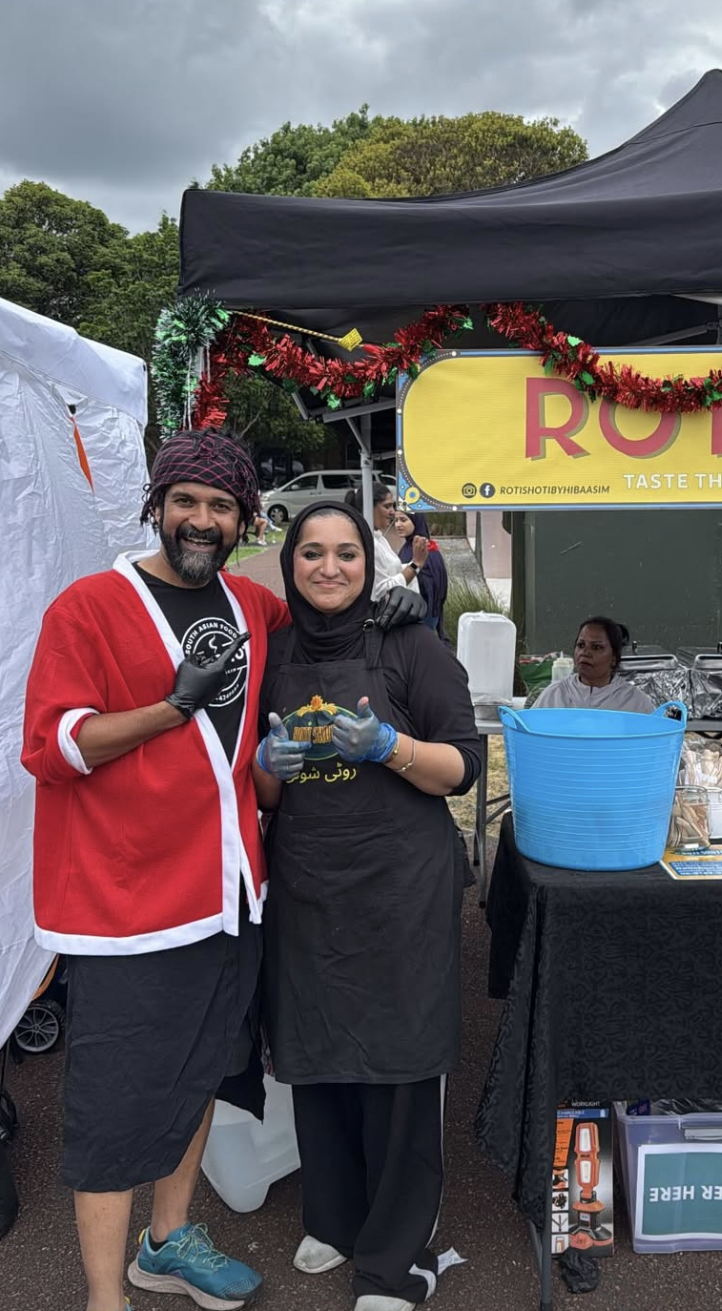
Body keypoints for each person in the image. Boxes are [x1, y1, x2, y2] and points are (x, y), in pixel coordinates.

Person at [20, 428, 425, 1311]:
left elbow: (324, 611)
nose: (201, 519)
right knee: (116, 1099)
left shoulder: (250, 605)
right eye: (186, 502)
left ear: (244, 518)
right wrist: (170, 708)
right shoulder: (88, 607)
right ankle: (103, 1294)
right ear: (156, 507)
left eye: (221, 506)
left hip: (231, 892)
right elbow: (53, 747)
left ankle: (166, 1241)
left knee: (204, 1069)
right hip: (128, 901)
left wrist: (396, 602)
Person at [253, 500, 480, 1311]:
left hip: (398, 888)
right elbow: (269, 791)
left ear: (369, 560)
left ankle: (391, 1256)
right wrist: (265, 765)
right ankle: (336, 1219)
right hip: (310, 884)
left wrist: (390, 746)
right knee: (315, 1057)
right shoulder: (275, 653)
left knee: (399, 1063)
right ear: (289, 564)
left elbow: (463, 766)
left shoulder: (410, 644)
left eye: (345, 552)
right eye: (310, 552)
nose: (328, 567)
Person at [533, 616, 655, 713]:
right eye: (581, 645)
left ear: (614, 658)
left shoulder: (635, 703)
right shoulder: (554, 696)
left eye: (596, 647)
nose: (585, 653)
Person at [346, 481, 426, 600]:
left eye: (393, 506)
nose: (393, 512)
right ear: (368, 508)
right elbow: (382, 592)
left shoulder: (379, 538)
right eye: (387, 506)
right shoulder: (367, 544)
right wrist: (415, 565)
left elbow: (392, 572)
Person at [392, 509, 449, 640]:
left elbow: (431, 587)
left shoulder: (422, 551)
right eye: (395, 520)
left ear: (416, 522)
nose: (398, 525)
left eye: (403, 520)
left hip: (420, 618)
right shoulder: (415, 546)